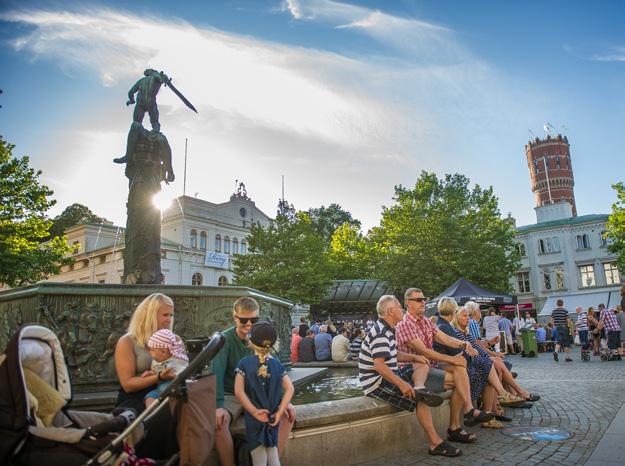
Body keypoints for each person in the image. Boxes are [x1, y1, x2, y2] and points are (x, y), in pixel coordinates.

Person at [359, 295, 456, 457]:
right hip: (377, 383)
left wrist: (413, 357)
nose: (402, 310)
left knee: (421, 363)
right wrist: (403, 384)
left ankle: (419, 387)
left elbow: (392, 354)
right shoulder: (381, 332)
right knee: (421, 400)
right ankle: (435, 443)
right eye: (399, 307)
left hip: (388, 375)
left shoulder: (388, 328)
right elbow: (380, 365)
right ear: (391, 311)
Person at [396, 288, 494, 438]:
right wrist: (452, 359)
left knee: (460, 368)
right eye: (418, 300)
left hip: (430, 368)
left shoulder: (426, 322)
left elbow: (445, 339)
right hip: (414, 372)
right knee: (459, 372)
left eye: (424, 299)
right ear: (408, 303)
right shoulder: (405, 325)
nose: (423, 302)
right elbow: (425, 352)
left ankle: (466, 413)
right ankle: (456, 425)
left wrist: (464, 344)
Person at [212, 297, 296, 466]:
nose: (249, 325)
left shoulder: (261, 341)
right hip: (231, 394)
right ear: (234, 317)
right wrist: (218, 405)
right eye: (243, 320)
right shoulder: (224, 340)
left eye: (254, 320)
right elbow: (217, 373)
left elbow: (275, 372)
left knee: (287, 415)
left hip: (258, 395)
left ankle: (272, 461)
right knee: (220, 423)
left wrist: (281, 401)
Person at [234, 322, 294, 466]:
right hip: (273, 417)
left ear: (250, 340)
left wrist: (254, 411)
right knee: (273, 456)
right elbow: (290, 389)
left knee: (258, 458)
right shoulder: (277, 365)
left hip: (255, 419)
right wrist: (280, 412)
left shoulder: (244, 364)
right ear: (274, 343)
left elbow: (238, 391)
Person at [114, 293, 177, 413]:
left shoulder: (173, 339)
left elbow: (181, 364)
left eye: (171, 315)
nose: (169, 320)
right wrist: (158, 377)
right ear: (150, 316)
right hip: (134, 399)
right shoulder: (127, 342)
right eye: (165, 315)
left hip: (165, 393)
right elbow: (127, 384)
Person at [143, 329, 189, 407]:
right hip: (161, 387)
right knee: (149, 397)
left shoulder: (176, 362)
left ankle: (154, 415)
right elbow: (157, 371)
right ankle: (152, 415)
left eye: (152, 350)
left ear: (164, 352)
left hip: (172, 387)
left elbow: (185, 375)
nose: (150, 352)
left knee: (151, 397)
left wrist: (173, 376)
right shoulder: (157, 360)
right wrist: (151, 373)